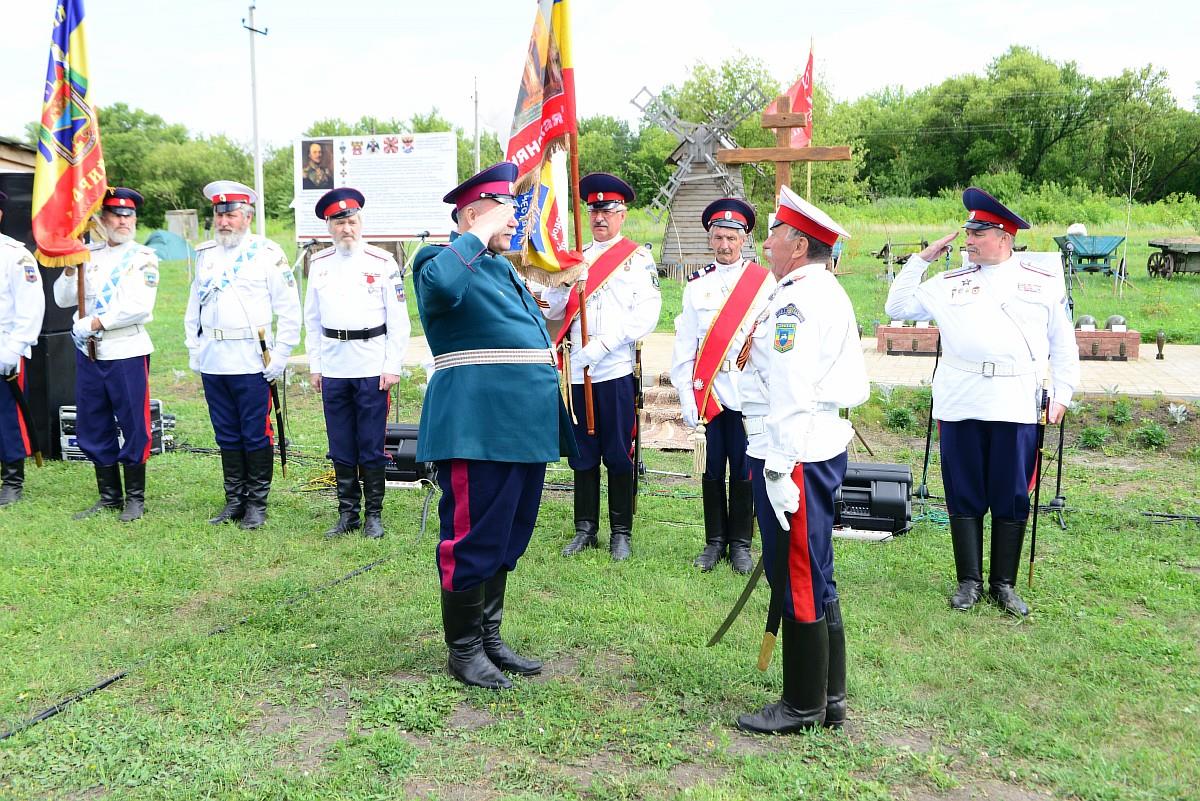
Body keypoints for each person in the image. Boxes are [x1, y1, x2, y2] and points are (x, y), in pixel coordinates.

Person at [413, 162, 576, 690]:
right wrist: (478, 233)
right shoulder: (438, 259)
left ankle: (487, 636)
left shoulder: (502, 269)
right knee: (473, 534)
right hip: (477, 423)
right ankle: (463, 649)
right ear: (472, 214)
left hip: (523, 424)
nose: (515, 221)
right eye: (504, 212)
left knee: (509, 532)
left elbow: (523, 336)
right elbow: (439, 290)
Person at [885, 187, 1078, 617]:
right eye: (969, 231)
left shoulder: (1042, 283)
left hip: (1014, 401)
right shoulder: (950, 283)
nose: (968, 239)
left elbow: (1062, 343)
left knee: (1011, 493)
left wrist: (1062, 392)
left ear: (1004, 237)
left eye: (978, 232)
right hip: (962, 401)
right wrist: (923, 259)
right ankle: (969, 582)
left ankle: (1003, 584)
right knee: (965, 492)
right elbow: (896, 305)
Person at [736, 186, 868, 734]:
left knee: (799, 574)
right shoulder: (811, 289)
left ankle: (803, 703)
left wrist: (777, 466)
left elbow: (790, 384)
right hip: (807, 442)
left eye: (772, 233)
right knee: (815, 570)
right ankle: (828, 697)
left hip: (793, 448)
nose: (764, 243)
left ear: (795, 242)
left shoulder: (797, 299)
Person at [542, 173, 661, 561]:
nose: (599, 217)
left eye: (608, 210)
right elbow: (555, 310)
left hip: (612, 370)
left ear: (622, 213)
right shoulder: (577, 258)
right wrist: (561, 286)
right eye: (594, 210)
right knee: (583, 453)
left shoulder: (637, 259)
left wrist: (605, 345)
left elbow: (647, 313)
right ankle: (585, 528)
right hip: (578, 369)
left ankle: (621, 532)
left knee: (617, 452)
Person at [184, 181, 301, 530]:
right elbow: (194, 306)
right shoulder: (205, 254)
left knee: (254, 432)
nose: (224, 222)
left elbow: (289, 309)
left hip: (251, 357)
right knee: (225, 433)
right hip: (214, 357)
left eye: (231, 214)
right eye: (219, 215)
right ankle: (234, 500)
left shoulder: (267, 254)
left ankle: (256, 504)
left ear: (247, 217)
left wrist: (280, 356)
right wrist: (194, 347)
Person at [670, 198, 772, 574]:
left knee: (745, 469)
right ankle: (714, 541)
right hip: (711, 393)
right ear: (709, 239)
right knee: (712, 469)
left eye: (732, 237)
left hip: (749, 394)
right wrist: (686, 395)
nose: (725, 245)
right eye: (718, 238)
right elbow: (685, 345)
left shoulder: (763, 283)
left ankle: (742, 543)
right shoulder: (697, 286)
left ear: (745, 238)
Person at [304, 188, 410, 539]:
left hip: (370, 363)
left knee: (370, 442)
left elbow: (399, 320)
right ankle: (347, 513)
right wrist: (316, 365)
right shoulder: (318, 265)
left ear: (360, 222)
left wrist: (392, 364)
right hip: (334, 365)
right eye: (339, 223)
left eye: (351, 221)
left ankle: (374, 515)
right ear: (328, 227)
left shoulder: (382, 263)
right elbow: (312, 320)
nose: (346, 228)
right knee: (340, 443)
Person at [54, 187, 159, 521]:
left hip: (125, 349)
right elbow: (62, 298)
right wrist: (72, 268)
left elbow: (139, 307)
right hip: (90, 352)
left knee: (133, 422)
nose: (123, 221)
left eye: (129, 215)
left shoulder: (143, 257)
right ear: (100, 219)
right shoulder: (89, 254)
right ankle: (110, 495)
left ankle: (135, 498)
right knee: (93, 421)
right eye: (116, 214)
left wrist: (97, 321)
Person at [0, 190, 46, 507]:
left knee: (6, 415)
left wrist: (14, 348)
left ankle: (12, 480)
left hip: (3, 344)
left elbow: (31, 307)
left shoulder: (15, 255)